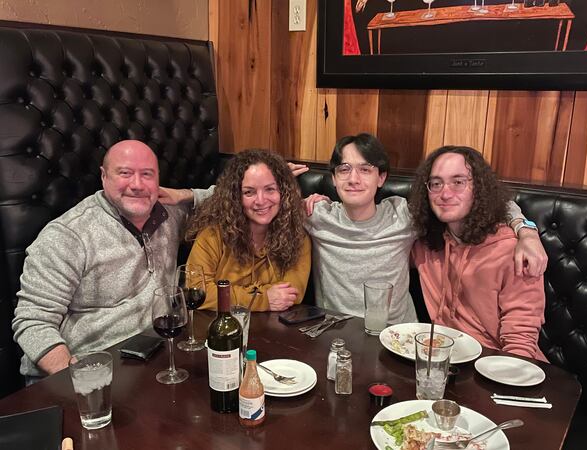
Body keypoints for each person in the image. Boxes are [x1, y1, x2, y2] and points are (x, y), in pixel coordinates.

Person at [12, 140, 212, 380]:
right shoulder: (67, 235)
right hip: (88, 368)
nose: (137, 185)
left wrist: (185, 195)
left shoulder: (170, 215)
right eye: (125, 173)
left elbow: (235, 195)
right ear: (104, 176)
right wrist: (75, 378)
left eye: (147, 174)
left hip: (154, 358)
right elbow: (33, 320)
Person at [302, 133, 547, 324]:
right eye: (344, 169)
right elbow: (269, 207)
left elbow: (498, 203)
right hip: (335, 337)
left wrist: (527, 232)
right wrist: (284, 177)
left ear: (381, 178)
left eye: (365, 169)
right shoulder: (316, 216)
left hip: (397, 339)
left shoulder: (404, 217)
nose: (353, 179)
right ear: (333, 178)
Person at [409, 145, 547, 360]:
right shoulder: (426, 245)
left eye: (458, 182)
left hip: (503, 369)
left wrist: (526, 230)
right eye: (436, 183)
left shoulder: (515, 251)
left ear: (479, 188)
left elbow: (521, 344)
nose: (445, 193)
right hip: (448, 365)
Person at [186, 149, 311, 312]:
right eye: (249, 192)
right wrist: (261, 298)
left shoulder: (298, 237)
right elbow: (196, 292)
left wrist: (227, 295)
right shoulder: (212, 234)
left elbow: (292, 293)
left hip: (275, 332)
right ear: (235, 196)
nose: (260, 200)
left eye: (270, 189)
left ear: (283, 192)